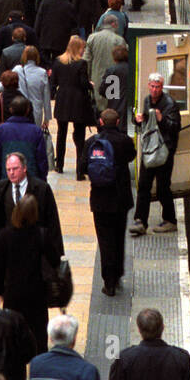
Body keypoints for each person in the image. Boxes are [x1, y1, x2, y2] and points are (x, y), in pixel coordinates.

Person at [0, 193, 60, 354]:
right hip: (36, 291)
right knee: (38, 331)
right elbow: (55, 260)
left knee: (13, 334)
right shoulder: (41, 234)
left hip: (13, 292)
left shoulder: (5, 235)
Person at [80, 108, 136, 297]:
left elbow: (82, 167)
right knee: (119, 237)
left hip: (100, 199)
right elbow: (132, 156)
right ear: (118, 122)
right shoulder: (125, 141)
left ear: (101, 122)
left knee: (105, 241)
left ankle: (108, 282)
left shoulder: (91, 143)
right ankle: (118, 273)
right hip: (120, 198)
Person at [0, 153, 64, 271]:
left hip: (35, 255)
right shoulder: (0, 189)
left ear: (24, 168)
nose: (11, 173)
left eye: (15, 169)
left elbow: (52, 222)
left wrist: (57, 255)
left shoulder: (41, 189)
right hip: (10, 255)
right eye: (8, 170)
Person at [130, 72, 180, 236]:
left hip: (163, 151)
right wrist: (137, 119)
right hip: (150, 149)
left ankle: (170, 220)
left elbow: (174, 127)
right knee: (143, 185)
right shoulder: (146, 100)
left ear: (162, 87)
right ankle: (140, 221)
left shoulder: (170, 104)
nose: (154, 90)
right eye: (152, 86)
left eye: (157, 87)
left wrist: (161, 119)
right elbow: (145, 122)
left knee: (163, 187)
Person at [51, 35, 96, 178]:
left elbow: (54, 82)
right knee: (79, 136)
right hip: (78, 101)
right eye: (82, 48)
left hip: (63, 99)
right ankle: (79, 170)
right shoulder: (81, 64)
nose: (83, 51)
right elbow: (83, 83)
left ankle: (59, 165)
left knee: (61, 134)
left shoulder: (58, 61)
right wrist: (90, 85)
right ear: (78, 48)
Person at [0, 96, 49, 179]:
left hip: (7, 177)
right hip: (31, 179)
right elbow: (41, 159)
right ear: (27, 110)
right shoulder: (36, 131)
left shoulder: (1, 130)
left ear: (10, 110)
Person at [84, 16, 128, 114]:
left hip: (96, 81)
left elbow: (86, 61)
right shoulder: (119, 40)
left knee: (99, 111)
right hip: (115, 83)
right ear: (113, 24)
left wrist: (87, 79)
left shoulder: (92, 38)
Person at [34, 0, 79, 67]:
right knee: (58, 64)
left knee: (44, 63)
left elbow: (38, 20)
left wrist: (36, 35)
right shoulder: (69, 6)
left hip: (45, 38)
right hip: (61, 41)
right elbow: (74, 25)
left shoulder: (45, 2)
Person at [16, 46, 51, 129]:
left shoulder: (18, 71)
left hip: (21, 109)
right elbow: (46, 96)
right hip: (36, 111)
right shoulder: (42, 73)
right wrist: (47, 118)